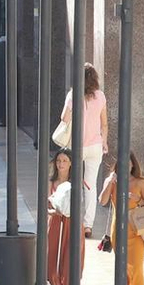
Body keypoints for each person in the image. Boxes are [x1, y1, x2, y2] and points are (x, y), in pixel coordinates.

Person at [100, 152, 144, 285]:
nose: (126, 167)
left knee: (137, 267)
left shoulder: (140, 182)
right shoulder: (112, 181)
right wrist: (111, 182)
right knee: (122, 268)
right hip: (119, 229)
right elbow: (103, 201)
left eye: (128, 164)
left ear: (132, 165)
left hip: (136, 229)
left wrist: (138, 200)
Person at [59, 63, 110, 232]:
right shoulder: (100, 96)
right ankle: (88, 225)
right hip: (95, 146)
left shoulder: (73, 95)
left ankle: (71, 218)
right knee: (90, 185)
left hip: (76, 146)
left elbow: (64, 119)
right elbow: (104, 124)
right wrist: (104, 142)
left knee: (72, 182)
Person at [46, 148, 85, 285]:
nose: (61, 164)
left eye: (64, 161)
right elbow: (46, 206)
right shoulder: (51, 182)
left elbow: (79, 206)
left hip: (72, 224)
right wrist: (55, 212)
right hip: (55, 223)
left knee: (70, 260)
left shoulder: (75, 183)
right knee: (52, 259)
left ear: (70, 164)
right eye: (58, 161)